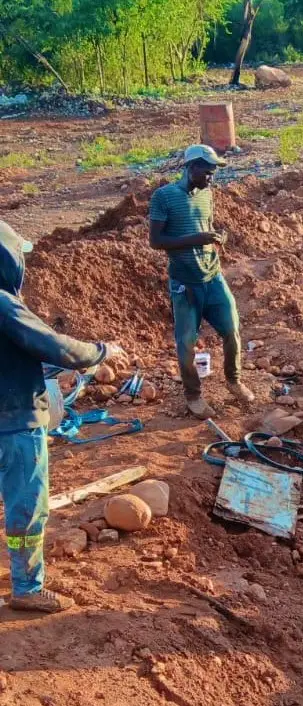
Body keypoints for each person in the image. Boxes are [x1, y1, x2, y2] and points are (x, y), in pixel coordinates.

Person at [0, 220, 126, 613]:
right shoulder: (4, 303)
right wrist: (100, 352)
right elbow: (53, 345)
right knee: (26, 508)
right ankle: (27, 587)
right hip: (15, 422)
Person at [149, 144, 255, 418]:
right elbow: (156, 241)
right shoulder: (164, 197)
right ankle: (193, 396)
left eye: (213, 173)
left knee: (231, 330)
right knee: (186, 342)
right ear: (191, 167)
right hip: (185, 282)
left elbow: (205, 228)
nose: (211, 178)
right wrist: (196, 240)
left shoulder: (207, 194)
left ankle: (234, 380)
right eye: (207, 172)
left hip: (212, 275)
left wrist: (217, 237)